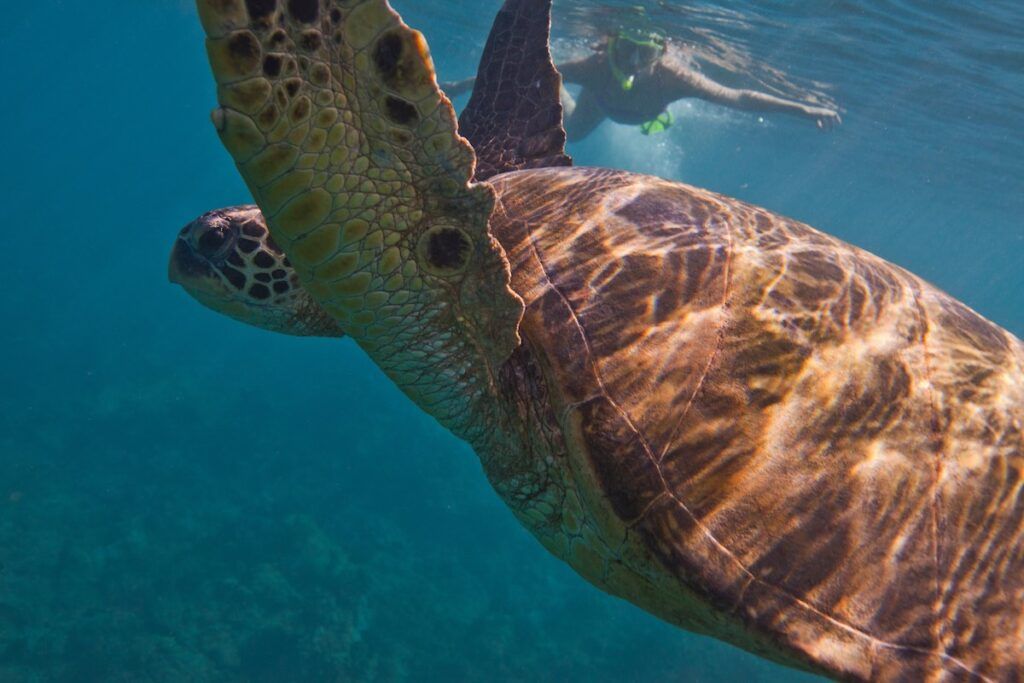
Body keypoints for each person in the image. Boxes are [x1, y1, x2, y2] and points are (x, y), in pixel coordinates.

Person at [444, 29, 842, 142]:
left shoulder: (677, 77)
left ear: (662, 52)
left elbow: (738, 97)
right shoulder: (596, 66)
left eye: (645, 54)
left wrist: (803, 108)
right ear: (612, 44)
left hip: (641, 113)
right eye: (626, 50)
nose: (633, 62)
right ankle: (560, 91)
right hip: (597, 106)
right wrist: (461, 85)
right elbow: (521, 70)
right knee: (572, 134)